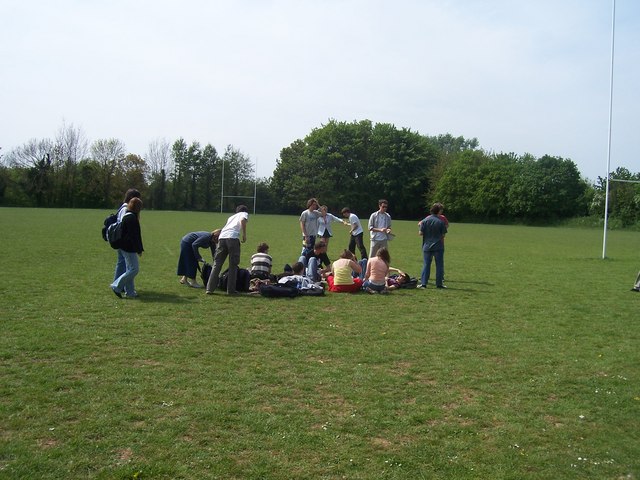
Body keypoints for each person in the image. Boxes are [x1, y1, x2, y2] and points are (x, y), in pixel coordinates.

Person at [206, 205, 249, 295]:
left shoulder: (231, 217)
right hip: (233, 238)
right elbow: (242, 220)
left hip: (222, 238)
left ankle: (209, 288)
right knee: (233, 265)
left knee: (217, 264)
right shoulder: (244, 213)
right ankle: (231, 290)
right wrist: (244, 234)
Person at [110, 197, 144, 298]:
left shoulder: (127, 216)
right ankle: (116, 286)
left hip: (123, 246)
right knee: (134, 269)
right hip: (128, 248)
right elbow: (134, 236)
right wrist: (139, 249)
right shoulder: (132, 218)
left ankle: (130, 292)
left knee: (129, 269)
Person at [419, 203, 448, 289]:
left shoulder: (425, 221)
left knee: (426, 264)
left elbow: (420, 233)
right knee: (439, 265)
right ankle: (439, 284)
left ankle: (423, 283)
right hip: (438, 246)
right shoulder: (441, 222)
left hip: (427, 246)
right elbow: (443, 235)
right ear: (438, 211)